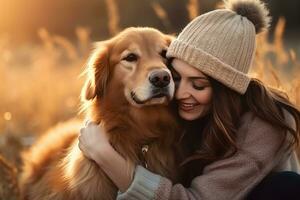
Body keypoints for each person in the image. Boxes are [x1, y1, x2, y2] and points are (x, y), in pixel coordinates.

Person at [78, 0, 300, 199]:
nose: (181, 93)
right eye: (175, 77)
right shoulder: (186, 114)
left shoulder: (263, 128)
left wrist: (104, 154)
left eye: (198, 85)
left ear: (226, 90)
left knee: (286, 185)